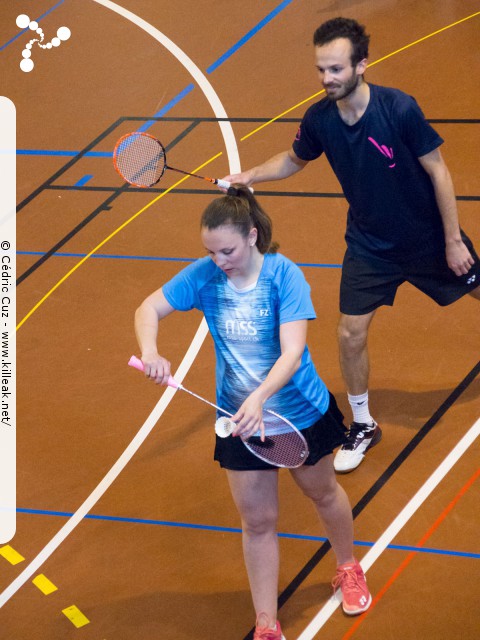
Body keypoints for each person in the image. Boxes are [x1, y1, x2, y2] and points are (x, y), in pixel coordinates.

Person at [223, 17, 480, 474]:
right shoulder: (320, 118)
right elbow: (293, 159)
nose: (327, 79)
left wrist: (453, 239)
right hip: (369, 245)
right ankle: (362, 423)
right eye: (321, 69)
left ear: (362, 64)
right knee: (349, 332)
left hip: (425, 237)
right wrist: (250, 176)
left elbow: (439, 171)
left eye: (336, 69)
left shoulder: (398, 109)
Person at [134, 185, 372, 639]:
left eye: (226, 250)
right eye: (210, 251)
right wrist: (150, 350)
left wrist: (260, 397)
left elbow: (292, 353)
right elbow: (149, 307)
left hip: (299, 413)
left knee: (323, 494)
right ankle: (266, 621)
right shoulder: (206, 275)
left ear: (252, 235)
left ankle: (347, 565)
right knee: (258, 521)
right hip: (240, 421)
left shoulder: (284, 277)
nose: (218, 260)